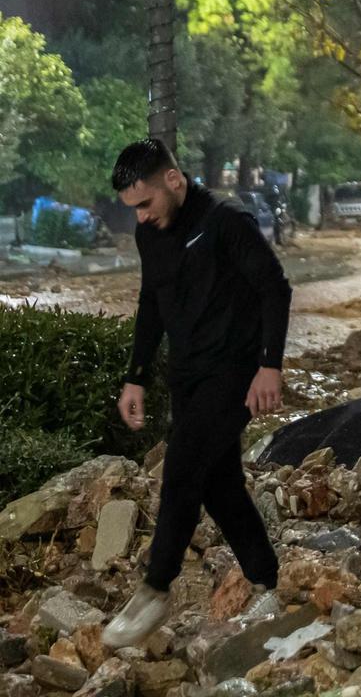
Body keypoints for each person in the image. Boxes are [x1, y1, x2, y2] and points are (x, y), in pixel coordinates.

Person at [101, 140, 293, 649]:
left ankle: (156, 587)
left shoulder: (226, 222)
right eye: (132, 210)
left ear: (174, 180)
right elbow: (151, 302)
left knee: (183, 466)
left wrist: (269, 367)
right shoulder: (151, 234)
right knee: (217, 483)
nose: (140, 218)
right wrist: (136, 375)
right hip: (186, 376)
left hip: (234, 374)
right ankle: (268, 579)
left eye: (145, 204)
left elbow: (275, 287)